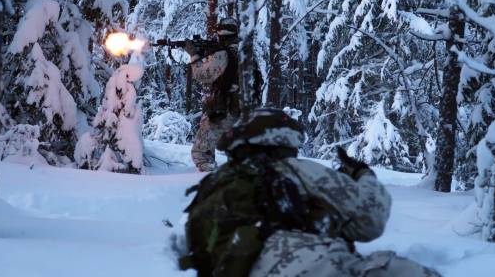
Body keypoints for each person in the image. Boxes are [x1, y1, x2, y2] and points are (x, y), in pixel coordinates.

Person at [179, 108, 441, 277]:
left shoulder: (219, 180)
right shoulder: (293, 169)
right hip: (297, 263)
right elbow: (370, 222)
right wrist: (362, 176)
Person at [183, 18, 240, 172]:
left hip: (225, 110)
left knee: (202, 153)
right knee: (238, 153)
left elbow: (201, 75)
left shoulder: (224, 54)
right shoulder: (245, 54)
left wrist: (194, 55)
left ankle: (206, 181)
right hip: (244, 111)